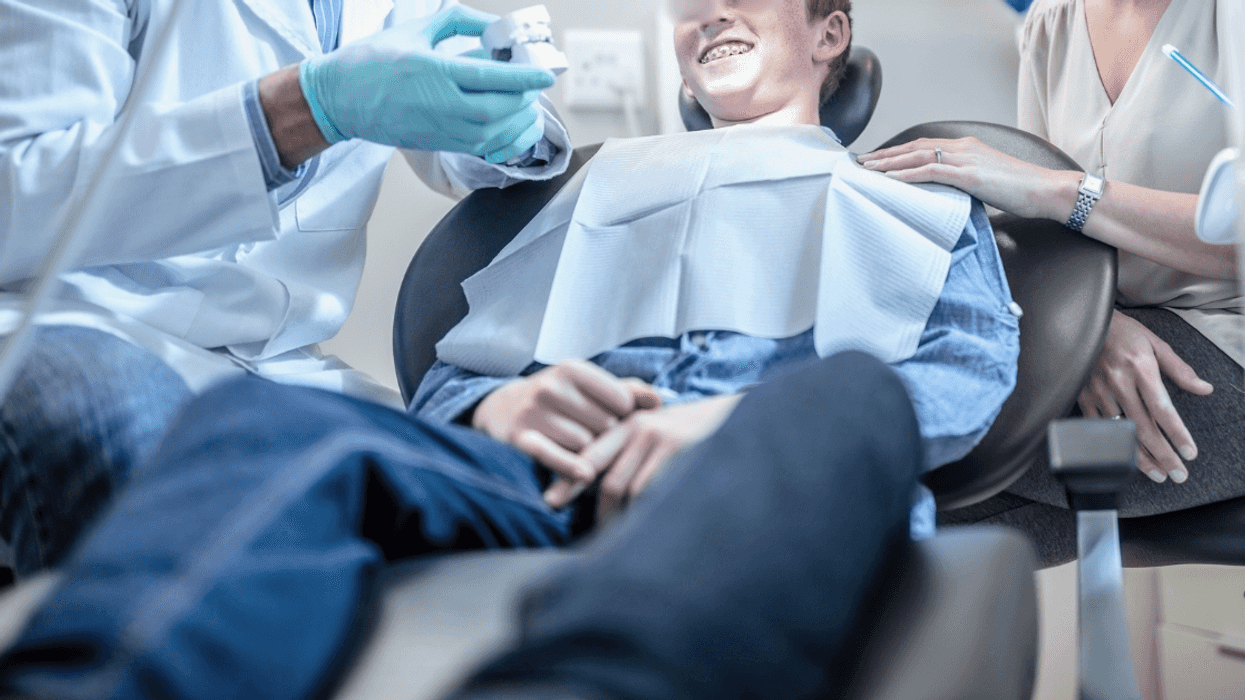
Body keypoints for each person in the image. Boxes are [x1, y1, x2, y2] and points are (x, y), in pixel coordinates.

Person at [0, 0, 1021, 698]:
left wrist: (734, 418)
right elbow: (459, 367)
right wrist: (489, 409)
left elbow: (964, 365)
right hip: (539, 457)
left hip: (766, 440)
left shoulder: (911, 197)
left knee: (848, 394)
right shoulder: (595, 184)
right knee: (270, 418)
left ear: (830, 31)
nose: (707, 8)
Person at [0, 0, 571, 574]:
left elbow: (448, 130)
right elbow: (13, 193)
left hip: (277, 367)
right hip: (70, 324)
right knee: (122, 434)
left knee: (512, 488)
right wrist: (299, 112)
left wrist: (503, 118)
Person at [856, 0, 1244, 566]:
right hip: (1108, 335)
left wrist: (1062, 191)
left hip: (1226, 341)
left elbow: (1043, 189)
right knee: (889, 516)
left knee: (884, 490)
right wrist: (1095, 327)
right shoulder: (1052, 20)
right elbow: (1045, 231)